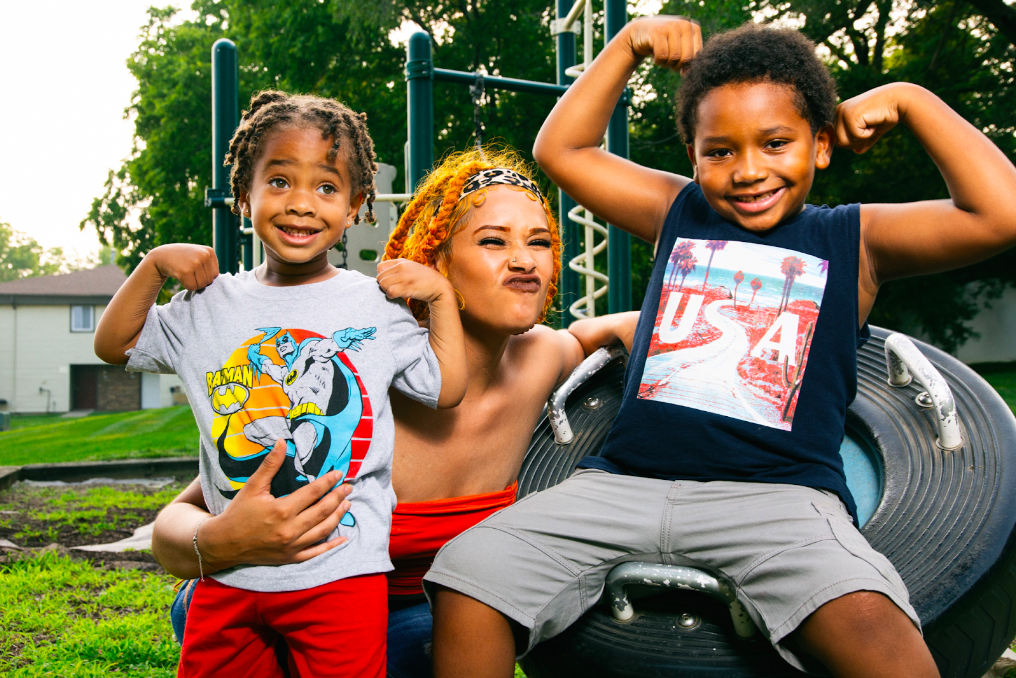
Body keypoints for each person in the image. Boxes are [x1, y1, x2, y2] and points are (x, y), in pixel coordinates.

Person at [426, 17, 1016, 678]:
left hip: (780, 499)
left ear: (821, 146)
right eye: (721, 151)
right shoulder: (676, 212)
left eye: (775, 143)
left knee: (873, 625)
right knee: (468, 574)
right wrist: (625, 47)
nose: (749, 170)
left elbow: (1002, 212)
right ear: (693, 155)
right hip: (628, 484)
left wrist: (913, 99)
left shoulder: (855, 239)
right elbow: (563, 150)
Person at [149, 146, 639, 678]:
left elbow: (594, 332)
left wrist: (645, 329)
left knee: (451, 629)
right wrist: (221, 541)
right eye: (493, 241)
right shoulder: (368, 379)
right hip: (293, 594)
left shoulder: (543, 357)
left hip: (432, 608)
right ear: (434, 262)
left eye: (539, 242)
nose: (525, 260)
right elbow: (171, 530)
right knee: (429, 639)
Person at [94, 90, 469, 678]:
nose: (301, 204)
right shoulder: (207, 305)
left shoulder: (373, 305)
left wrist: (441, 298)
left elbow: (445, 388)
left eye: (326, 187)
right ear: (244, 196)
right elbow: (113, 345)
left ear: (356, 207)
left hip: (339, 572)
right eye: (278, 182)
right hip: (229, 572)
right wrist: (152, 266)